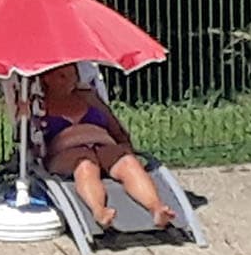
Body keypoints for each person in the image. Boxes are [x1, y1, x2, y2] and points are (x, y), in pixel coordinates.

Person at [30, 63, 175, 231]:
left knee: (127, 162)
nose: (70, 80)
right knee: (85, 165)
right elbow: (34, 141)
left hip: (102, 144)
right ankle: (99, 211)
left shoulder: (88, 97)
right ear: (46, 79)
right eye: (63, 76)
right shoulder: (39, 106)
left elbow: (115, 127)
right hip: (66, 152)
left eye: (74, 75)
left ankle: (157, 208)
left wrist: (126, 146)